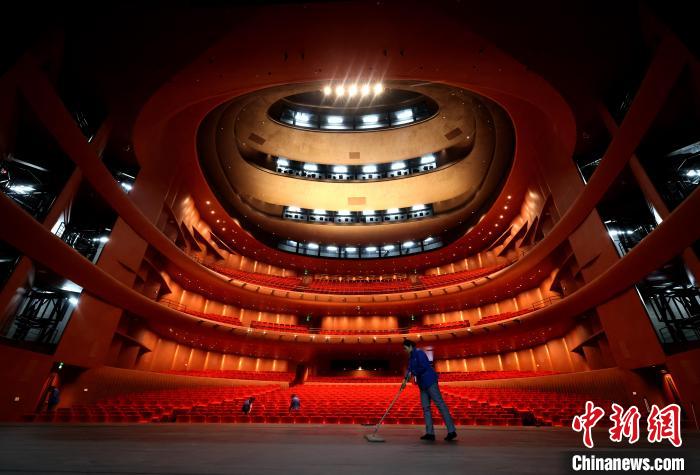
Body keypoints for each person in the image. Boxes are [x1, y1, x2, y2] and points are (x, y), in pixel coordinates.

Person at [403, 339, 457, 441]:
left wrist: (412, 372)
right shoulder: (411, 357)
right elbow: (409, 369)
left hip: (430, 382)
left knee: (440, 405)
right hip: (422, 385)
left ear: (410, 346)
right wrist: (405, 378)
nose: (404, 350)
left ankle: (451, 431)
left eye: (405, 348)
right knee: (426, 408)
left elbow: (423, 367)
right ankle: (430, 433)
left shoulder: (420, 353)